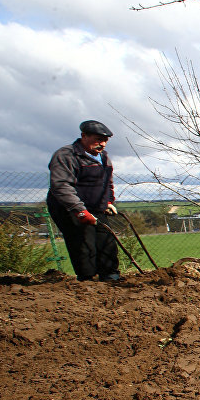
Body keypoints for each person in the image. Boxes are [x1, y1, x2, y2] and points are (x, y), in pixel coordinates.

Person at [47, 120, 121, 282]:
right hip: (69, 207)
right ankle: (87, 280)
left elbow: (107, 182)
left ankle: (110, 276)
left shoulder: (103, 157)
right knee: (83, 242)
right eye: (98, 139)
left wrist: (108, 201)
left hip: (95, 206)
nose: (102, 144)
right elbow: (61, 186)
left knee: (106, 239)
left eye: (105, 140)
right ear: (84, 136)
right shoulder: (66, 155)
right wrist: (79, 210)